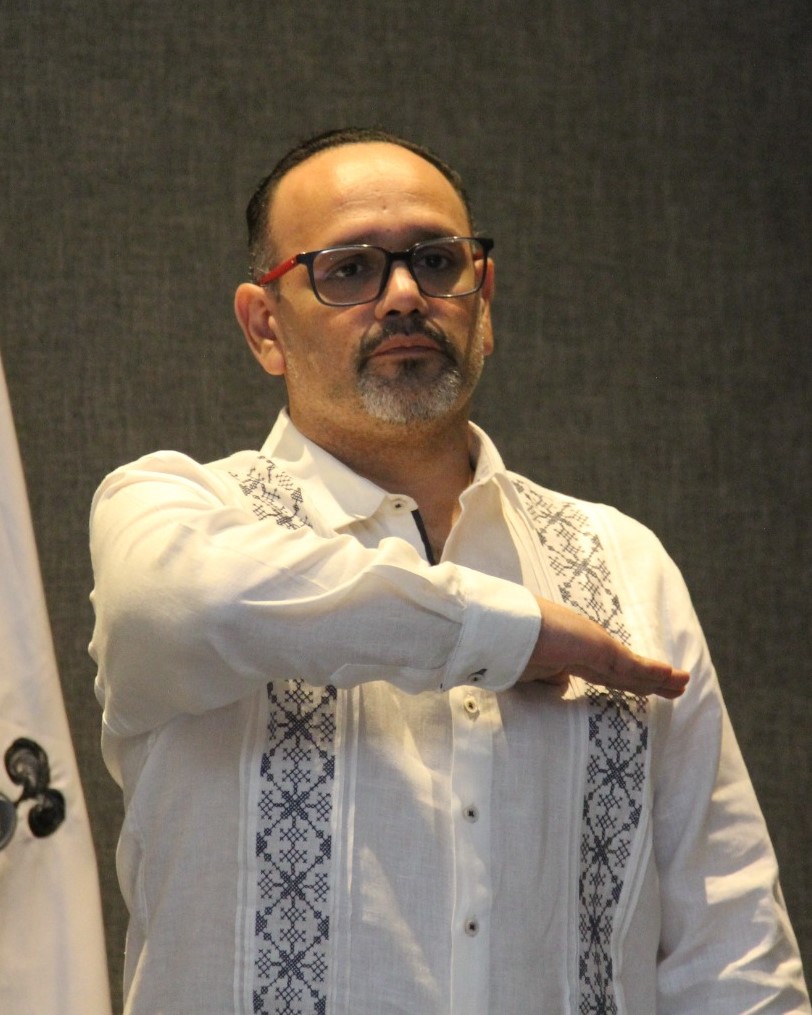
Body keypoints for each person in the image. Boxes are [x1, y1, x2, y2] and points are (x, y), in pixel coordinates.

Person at [89, 127, 809, 1015]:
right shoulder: (171, 511)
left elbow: (730, 947)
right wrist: (506, 632)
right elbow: (184, 605)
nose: (403, 295)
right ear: (264, 326)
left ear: (485, 300)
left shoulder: (623, 561)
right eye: (348, 269)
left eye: (436, 261)